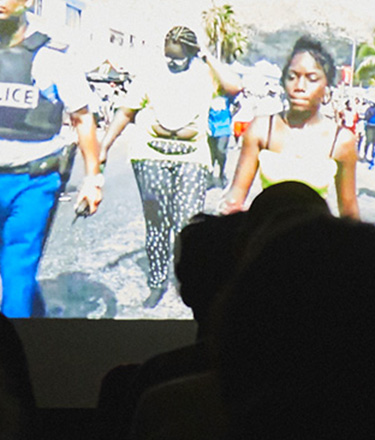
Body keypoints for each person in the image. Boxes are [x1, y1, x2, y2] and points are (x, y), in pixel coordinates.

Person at [0, 0, 104, 318]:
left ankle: (8, 341)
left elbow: (82, 117)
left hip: (38, 179)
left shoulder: (53, 57)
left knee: (18, 264)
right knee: (5, 264)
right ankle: (37, 320)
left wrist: (93, 178)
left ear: (28, 0)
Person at [100, 25, 242, 308]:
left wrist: (207, 55)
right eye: (169, 56)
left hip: (192, 158)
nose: (173, 62)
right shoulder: (151, 74)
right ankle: (157, 282)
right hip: (149, 155)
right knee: (156, 222)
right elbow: (126, 112)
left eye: (179, 56)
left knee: (188, 223)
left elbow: (235, 86)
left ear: (191, 52)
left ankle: (186, 278)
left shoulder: (207, 75)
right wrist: (104, 145)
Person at [220, 37, 359, 219]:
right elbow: (235, 197)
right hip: (267, 230)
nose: (299, 87)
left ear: (326, 87)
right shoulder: (263, 129)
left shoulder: (341, 141)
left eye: (312, 79)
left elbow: (349, 211)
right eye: (292, 77)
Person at [207, 92, 234, 188]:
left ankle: (222, 173)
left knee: (221, 150)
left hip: (223, 127)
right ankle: (210, 176)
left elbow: (237, 104)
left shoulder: (227, 94)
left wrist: (230, 116)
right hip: (211, 126)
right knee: (211, 153)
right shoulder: (208, 92)